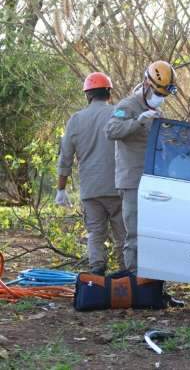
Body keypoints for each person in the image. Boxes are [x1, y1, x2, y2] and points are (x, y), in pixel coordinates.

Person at [105, 61, 178, 272]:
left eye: (163, 94)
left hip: (153, 181)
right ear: (147, 82)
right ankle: (134, 284)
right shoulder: (128, 106)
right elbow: (111, 130)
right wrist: (138, 121)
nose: (160, 97)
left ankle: (152, 286)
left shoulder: (155, 110)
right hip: (132, 182)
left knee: (154, 235)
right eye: (157, 92)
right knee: (135, 234)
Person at [56, 72, 126, 275]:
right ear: (109, 93)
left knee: (96, 233)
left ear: (88, 95)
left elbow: (65, 158)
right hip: (118, 187)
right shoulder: (118, 113)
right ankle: (127, 275)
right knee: (123, 235)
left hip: (91, 191)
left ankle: (97, 271)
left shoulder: (76, 120)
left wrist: (61, 189)